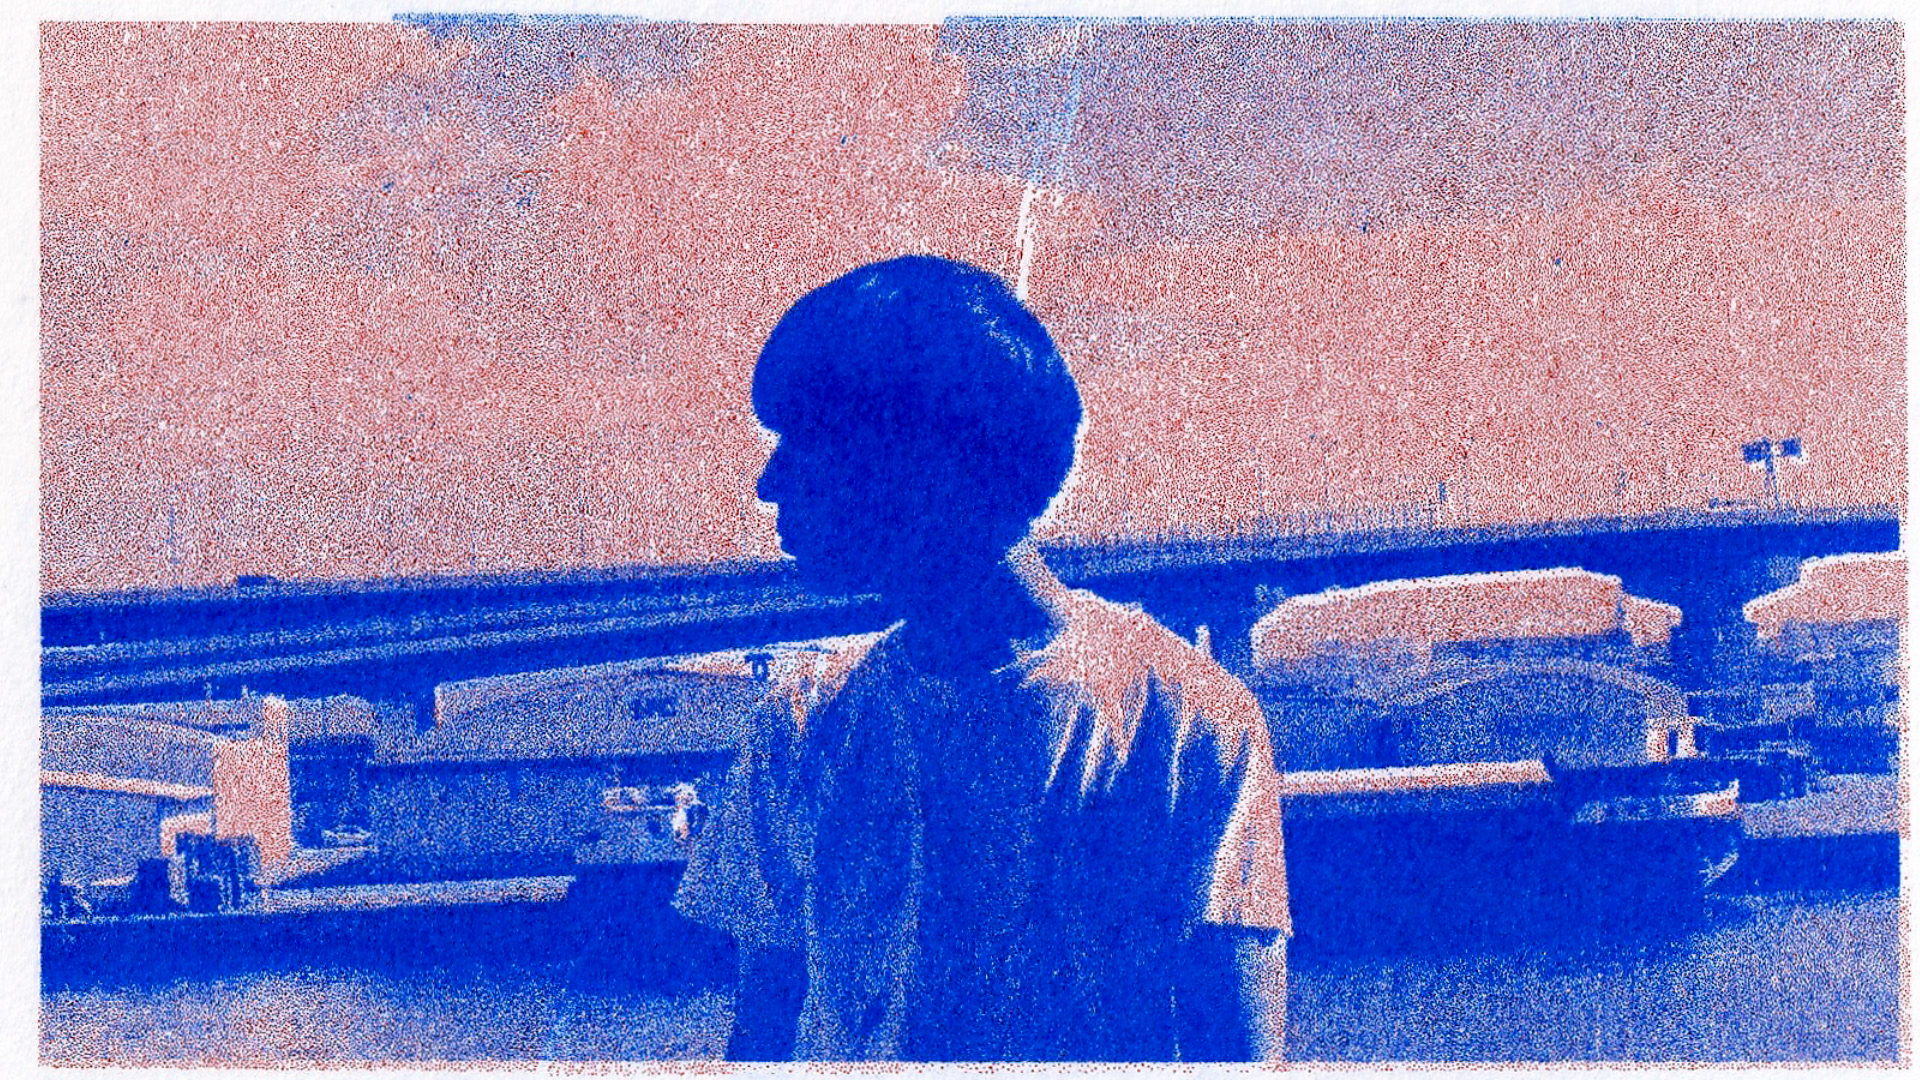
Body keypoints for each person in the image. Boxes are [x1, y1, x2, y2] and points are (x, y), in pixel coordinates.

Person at [673, 255, 1289, 1061]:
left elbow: (762, 1036)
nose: (769, 483)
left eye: (807, 442)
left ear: (922, 459)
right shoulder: (1190, 721)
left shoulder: (1189, 724)